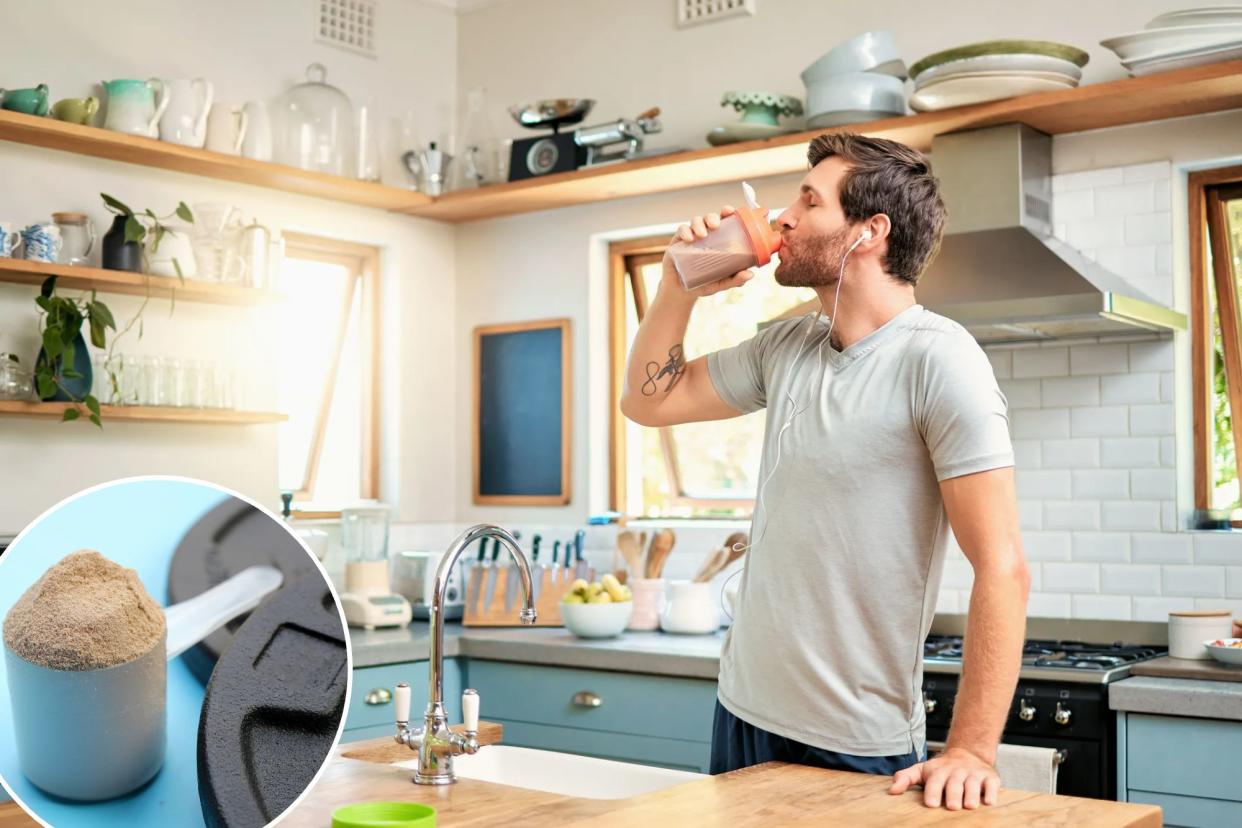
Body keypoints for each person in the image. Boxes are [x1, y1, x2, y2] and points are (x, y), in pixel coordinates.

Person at [619, 133, 1030, 811]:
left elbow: (1003, 567)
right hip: (744, 713)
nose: (782, 217)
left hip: (855, 739)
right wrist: (676, 285)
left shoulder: (939, 360)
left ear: (869, 232)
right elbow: (646, 401)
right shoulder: (788, 344)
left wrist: (970, 750)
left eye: (808, 201)